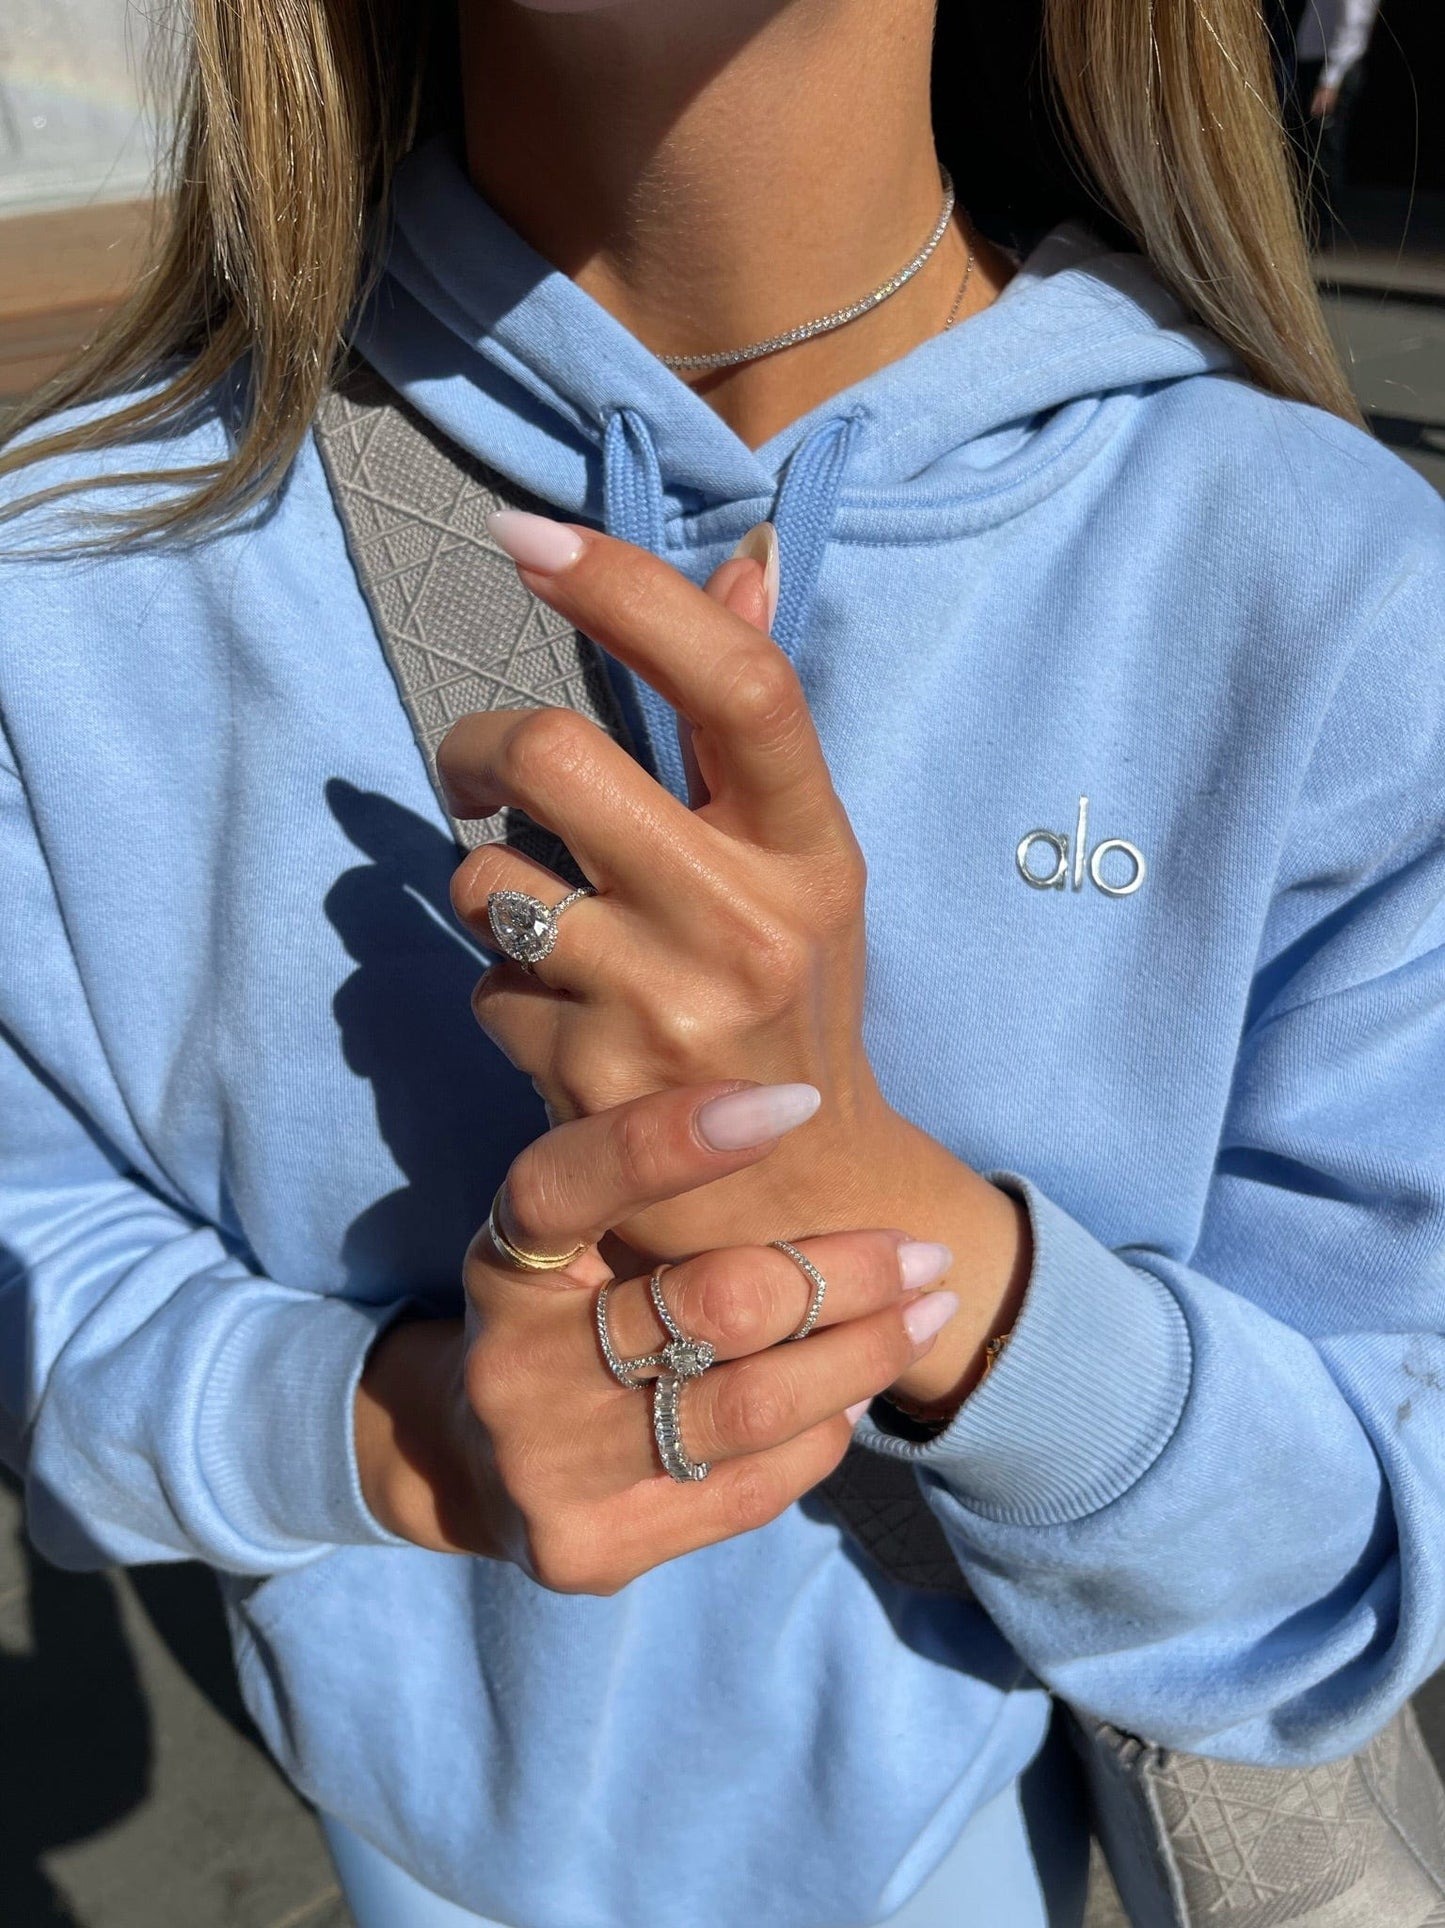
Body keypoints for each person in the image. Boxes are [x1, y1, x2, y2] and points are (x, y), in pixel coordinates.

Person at [2, 3, 1443, 1925]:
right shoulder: (72, 573)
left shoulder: (1335, 594)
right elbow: (42, 1281)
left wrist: (884, 1216)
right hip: (413, 1841)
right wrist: (403, 1434)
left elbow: (1343, 1572)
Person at [1286, 0, 1382, 238]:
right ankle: (1306, 224)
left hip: (1331, 67)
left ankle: (1321, 227)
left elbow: (1354, 26)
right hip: (1313, 61)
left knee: (1323, 151)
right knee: (1308, 146)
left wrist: (1330, 80)